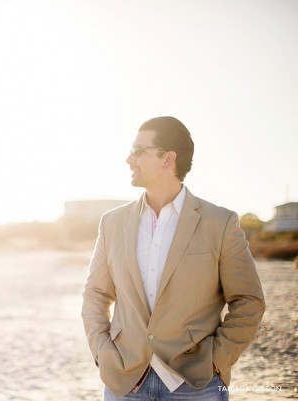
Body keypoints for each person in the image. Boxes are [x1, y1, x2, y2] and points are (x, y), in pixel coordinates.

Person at [81, 116, 265, 400]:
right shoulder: (112, 223)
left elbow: (248, 300)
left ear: (168, 158)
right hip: (126, 383)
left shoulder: (220, 222)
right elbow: (95, 294)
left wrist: (217, 360)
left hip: (195, 385)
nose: (129, 159)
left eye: (139, 151)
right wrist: (102, 351)